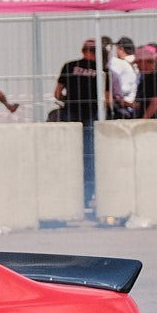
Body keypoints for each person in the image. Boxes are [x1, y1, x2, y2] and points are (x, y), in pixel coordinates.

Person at [55, 39, 102, 211]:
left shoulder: (69, 66)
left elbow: (57, 93)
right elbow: (107, 97)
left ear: (82, 50)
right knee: (89, 157)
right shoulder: (102, 70)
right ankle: (87, 195)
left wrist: (68, 101)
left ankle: (69, 196)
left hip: (71, 115)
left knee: (70, 155)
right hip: (91, 116)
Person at [133, 43, 157, 119]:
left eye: (139, 62)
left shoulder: (154, 78)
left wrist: (144, 120)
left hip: (153, 121)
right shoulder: (144, 78)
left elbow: (154, 102)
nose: (137, 65)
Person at [107, 36, 138, 118]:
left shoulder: (119, 63)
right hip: (133, 103)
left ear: (121, 49)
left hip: (122, 103)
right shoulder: (137, 62)